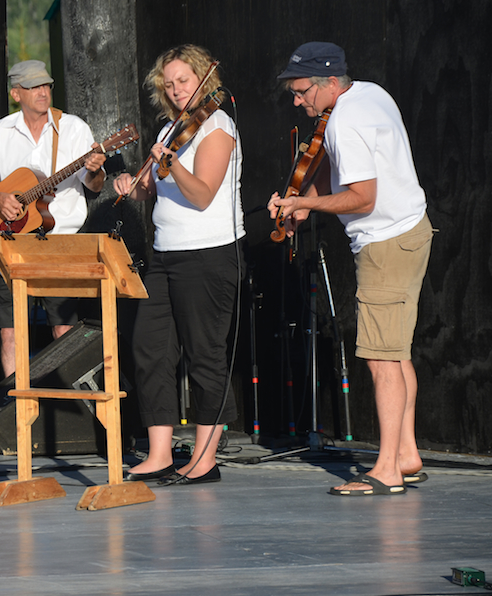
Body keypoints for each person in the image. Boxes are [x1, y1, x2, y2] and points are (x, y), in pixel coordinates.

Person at [269, 42, 433, 496]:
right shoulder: (370, 93)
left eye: (302, 92)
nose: (297, 100)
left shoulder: (345, 119)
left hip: (386, 244)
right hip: (409, 232)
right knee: (396, 352)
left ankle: (386, 470)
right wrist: (308, 199)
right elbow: (336, 170)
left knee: (382, 360)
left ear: (330, 83)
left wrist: (304, 202)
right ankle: (405, 454)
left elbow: (363, 197)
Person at [113, 44, 245, 485]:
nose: (176, 90)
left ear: (204, 77)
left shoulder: (218, 126)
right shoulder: (173, 128)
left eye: (183, 81)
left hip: (208, 254)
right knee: (150, 349)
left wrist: (170, 168)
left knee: (204, 355)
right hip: (165, 254)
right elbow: (149, 189)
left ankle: (205, 460)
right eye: (168, 84)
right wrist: (133, 182)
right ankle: (159, 454)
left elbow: (203, 193)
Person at [0, 59, 106, 377]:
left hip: (60, 244)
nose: (42, 92)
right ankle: (15, 409)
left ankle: (67, 411)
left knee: (64, 329)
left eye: (46, 85)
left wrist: (95, 171)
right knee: (10, 333)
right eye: (33, 87)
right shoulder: (0, 132)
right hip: (11, 241)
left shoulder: (74, 128)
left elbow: (94, 186)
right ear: (15, 93)